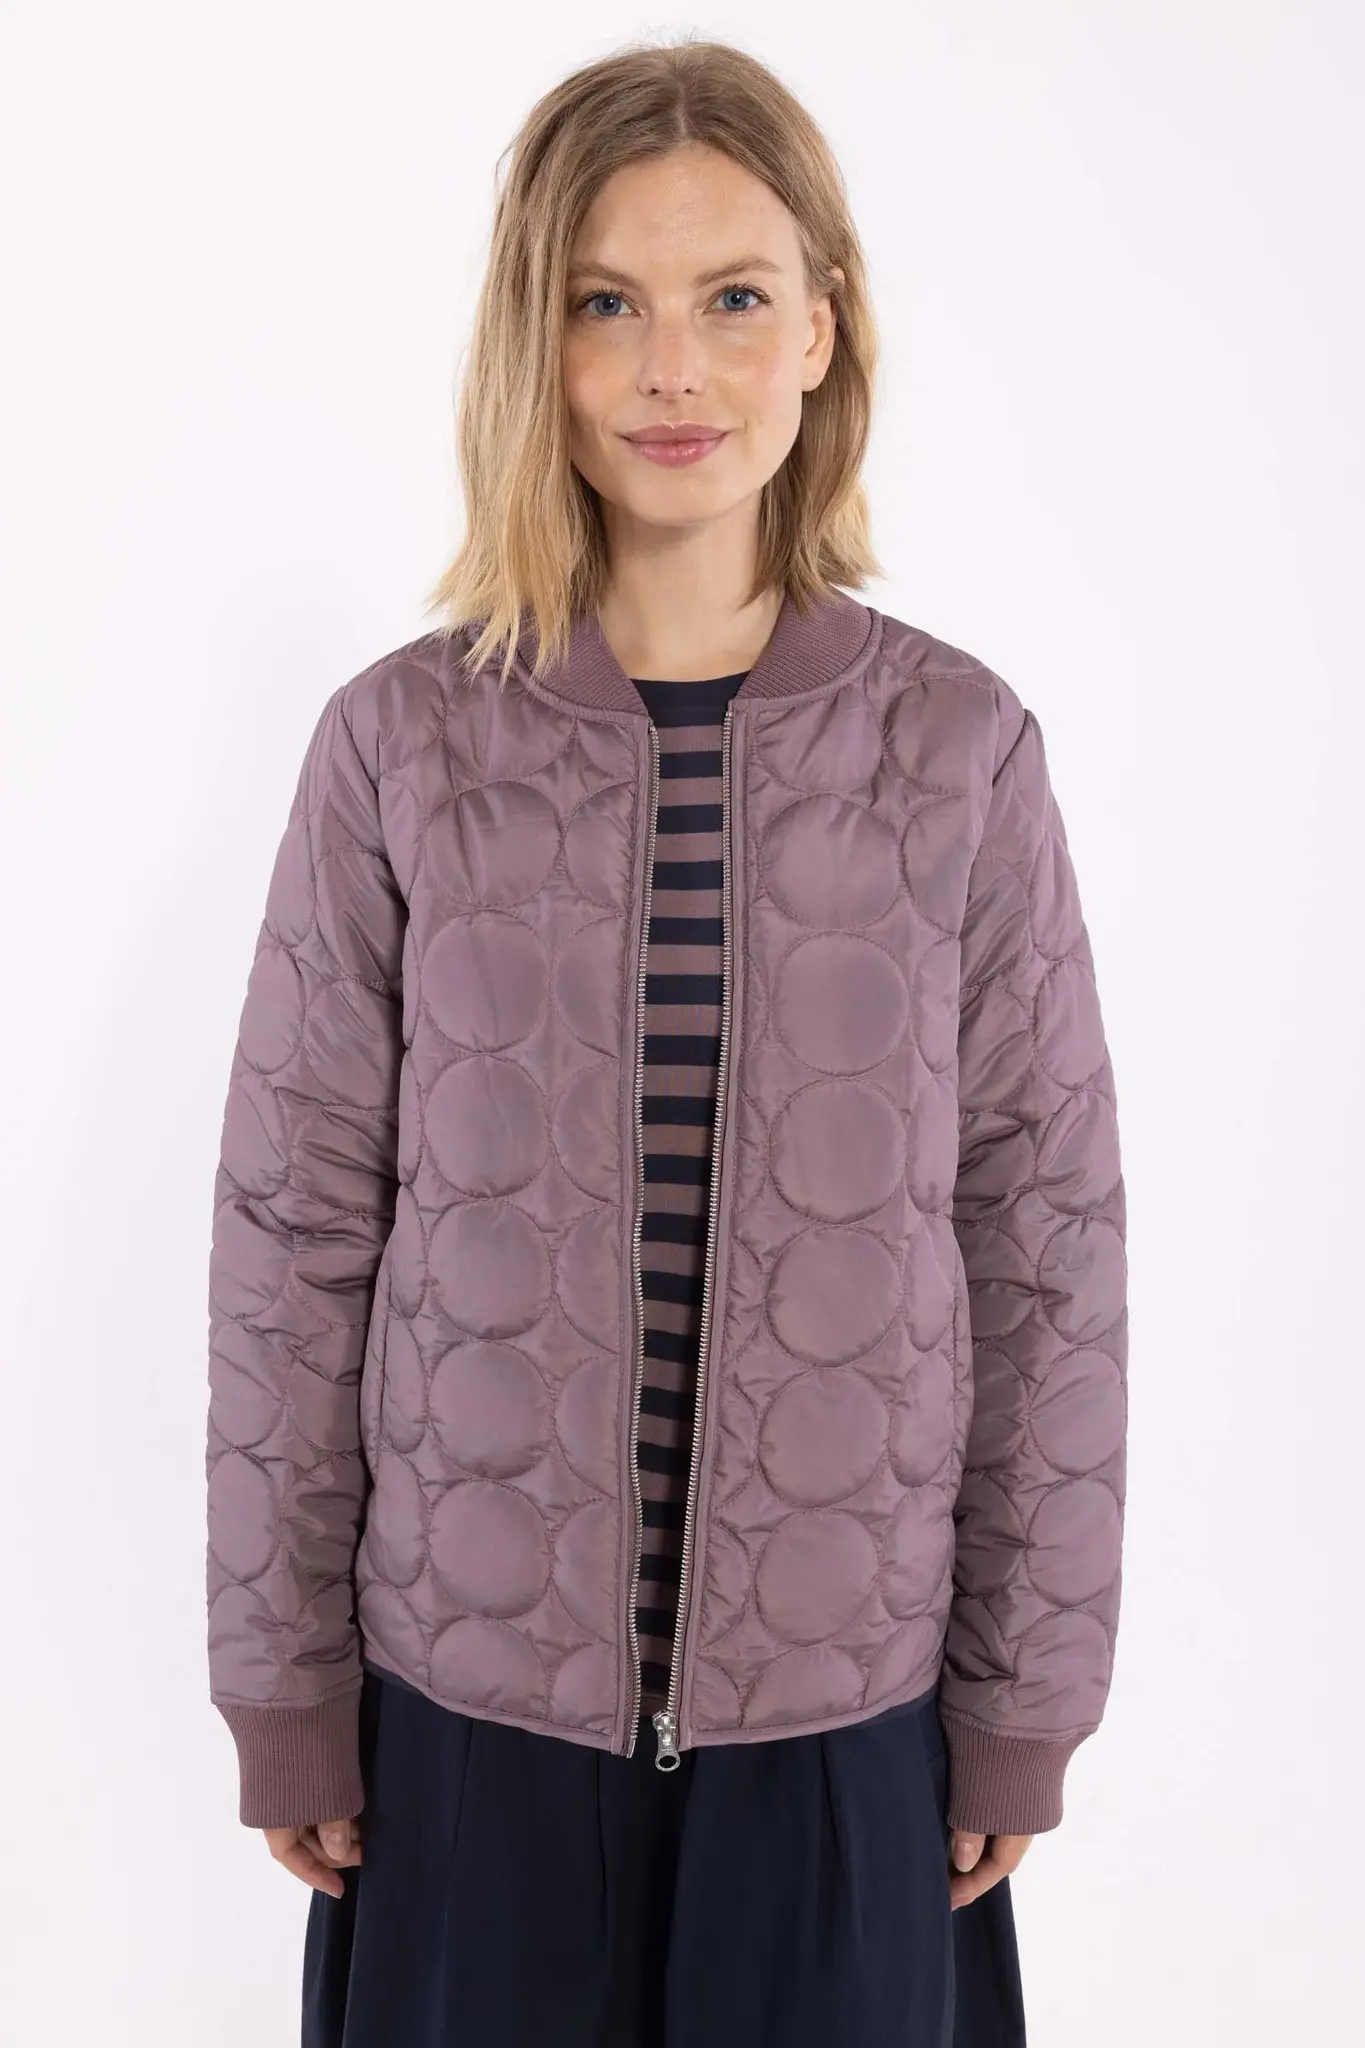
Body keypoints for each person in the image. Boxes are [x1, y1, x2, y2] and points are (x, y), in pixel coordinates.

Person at [203, 36, 1128, 2048]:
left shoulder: (960, 754)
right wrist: (284, 1687)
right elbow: (294, 1233)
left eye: (730, 298)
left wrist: (1022, 1698)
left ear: (823, 328)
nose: (672, 369)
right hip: (465, 1733)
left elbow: (1041, 1240)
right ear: (534, 345)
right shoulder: (399, 749)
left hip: (847, 1733)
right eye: (605, 304)